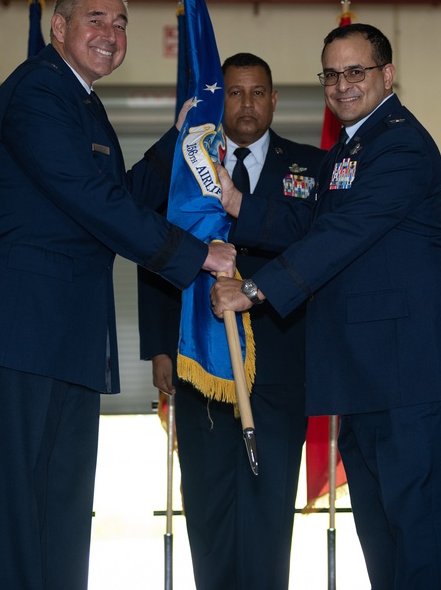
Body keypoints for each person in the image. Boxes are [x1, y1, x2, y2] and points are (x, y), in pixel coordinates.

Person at [0, 0, 235, 590]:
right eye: (97, 19)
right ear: (59, 27)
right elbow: (91, 199)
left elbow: (112, 193)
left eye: (121, 23)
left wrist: (180, 145)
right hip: (22, 327)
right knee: (21, 505)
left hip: (63, 331)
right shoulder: (40, 90)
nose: (111, 33)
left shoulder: (80, 100)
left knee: (63, 506)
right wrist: (196, 254)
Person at [209, 23, 441, 589]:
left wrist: (256, 289)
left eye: (355, 72)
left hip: (415, 376)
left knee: (416, 543)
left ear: (387, 75)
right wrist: (236, 201)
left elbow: (345, 235)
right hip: (367, 376)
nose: (342, 85)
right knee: (383, 544)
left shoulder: (401, 143)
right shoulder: (351, 146)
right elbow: (313, 220)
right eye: (332, 75)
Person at [138, 52, 325, 589]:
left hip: (282, 363)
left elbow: (318, 250)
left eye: (257, 92)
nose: (246, 103)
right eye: (235, 92)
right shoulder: (189, 164)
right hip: (201, 363)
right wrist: (158, 346)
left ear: (274, 99)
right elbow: (153, 252)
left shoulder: (311, 167)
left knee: (269, 512)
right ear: (222, 100)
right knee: (210, 506)